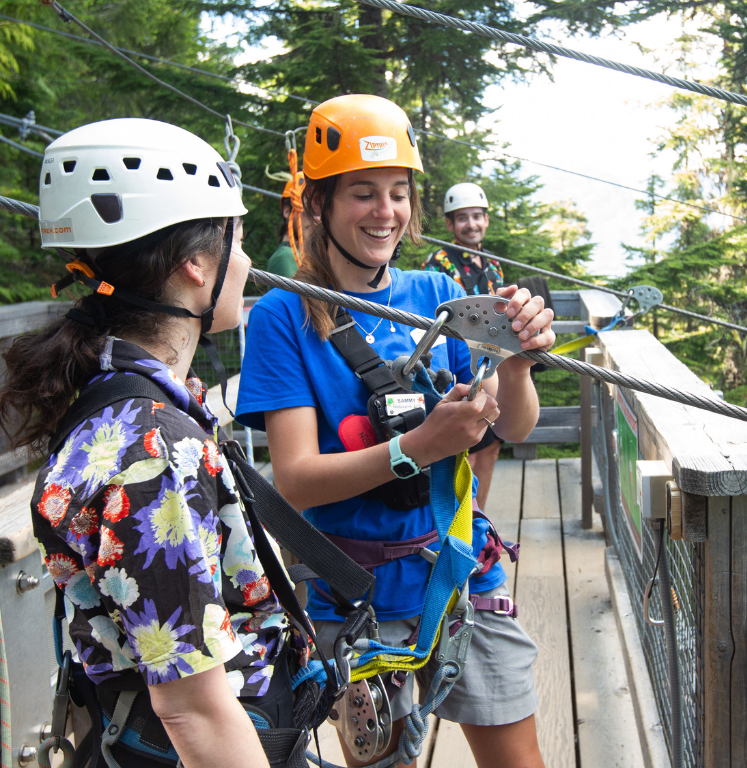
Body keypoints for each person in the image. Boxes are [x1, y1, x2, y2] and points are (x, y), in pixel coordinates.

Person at [236, 94, 556, 768]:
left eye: (398, 193)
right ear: (318, 204)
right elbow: (295, 480)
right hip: (355, 593)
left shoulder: (433, 295)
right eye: (362, 193)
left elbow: (515, 425)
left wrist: (521, 364)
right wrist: (419, 449)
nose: (385, 212)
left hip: (456, 569)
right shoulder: (282, 318)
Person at [0, 118, 300, 768]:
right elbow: (192, 706)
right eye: (237, 239)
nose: (247, 263)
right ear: (195, 264)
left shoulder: (110, 393)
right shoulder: (155, 444)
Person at [422, 182, 508, 509]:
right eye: (462, 218)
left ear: (486, 220)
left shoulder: (491, 264)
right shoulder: (440, 263)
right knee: (466, 447)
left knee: (491, 444)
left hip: (492, 358)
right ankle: (462, 522)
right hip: (462, 361)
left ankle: (479, 518)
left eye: (476, 217)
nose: (471, 224)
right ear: (450, 224)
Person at [264, 169, 304, 278]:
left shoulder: (304, 255)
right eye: (306, 208)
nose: (317, 217)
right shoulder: (285, 257)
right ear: (287, 211)